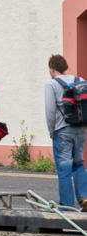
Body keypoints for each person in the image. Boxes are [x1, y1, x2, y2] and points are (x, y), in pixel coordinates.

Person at [45, 54, 87, 211]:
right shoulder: (80, 80)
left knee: (64, 168)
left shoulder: (51, 84)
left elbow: (50, 111)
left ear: (51, 69)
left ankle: (67, 207)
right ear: (66, 67)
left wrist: (52, 132)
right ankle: (84, 197)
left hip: (62, 130)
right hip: (81, 129)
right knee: (79, 163)